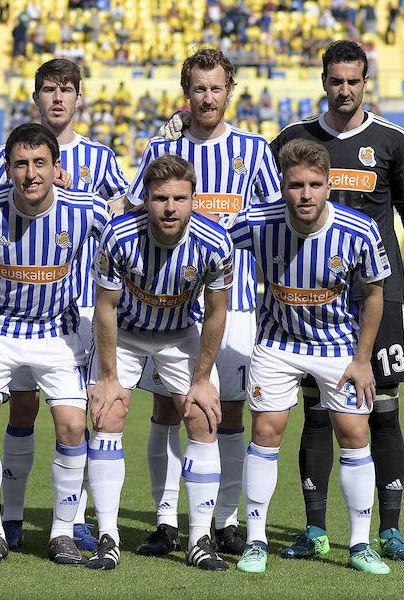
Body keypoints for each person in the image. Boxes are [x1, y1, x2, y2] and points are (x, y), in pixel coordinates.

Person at [270, 40, 404, 563]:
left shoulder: (392, 140)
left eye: (353, 80)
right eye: (335, 80)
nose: (344, 90)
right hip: (314, 296)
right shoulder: (293, 138)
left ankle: (389, 530)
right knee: (320, 413)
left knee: (385, 410)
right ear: (323, 80)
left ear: (365, 81)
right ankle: (314, 529)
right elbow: (254, 199)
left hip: (380, 292)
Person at [129, 48, 281, 559]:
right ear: (185, 92)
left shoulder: (255, 151)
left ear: (229, 91)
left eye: (216, 88)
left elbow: (273, 219)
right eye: (199, 88)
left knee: (228, 413)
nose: (208, 97)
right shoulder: (162, 149)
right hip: (169, 307)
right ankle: (166, 518)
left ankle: (225, 520)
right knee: (169, 410)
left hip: (233, 304)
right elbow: (132, 207)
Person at [0, 57, 128, 552]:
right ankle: (13, 516)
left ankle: (76, 519)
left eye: (67, 89)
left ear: (79, 98)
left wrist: (84, 196)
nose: (58, 98)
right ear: (36, 97)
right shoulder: (11, 158)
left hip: (78, 308)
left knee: (78, 416)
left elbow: (122, 214)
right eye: (49, 89)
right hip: (12, 308)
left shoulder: (101, 158)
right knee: (20, 409)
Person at [229, 138, 391, 575]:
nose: (305, 194)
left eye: (315, 184)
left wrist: (362, 360)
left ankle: (360, 543)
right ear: (282, 184)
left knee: (355, 435)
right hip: (277, 342)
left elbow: (375, 295)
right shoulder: (258, 221)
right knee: (266, 431)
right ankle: (256, 540)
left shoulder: (358, 230)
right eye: (296, 184)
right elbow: (206, 237)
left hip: (339, 345)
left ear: (328, 185)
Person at [0, 122, 109, 566]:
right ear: (8, 169)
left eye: (40, 163)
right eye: (20, 164)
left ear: (56, 167)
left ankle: (61, 534)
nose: (30, 173)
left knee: (73, 427)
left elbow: (126, 234)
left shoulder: (84, 210)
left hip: (55, 332)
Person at [87, 155, 233, 572]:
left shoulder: (215, 242)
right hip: (128, 333)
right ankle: (108, 536)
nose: (170, 207)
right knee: (108, 413)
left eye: (180, 198)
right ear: (146, 199)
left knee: (204, 417)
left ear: (193, 199)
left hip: (179, 334)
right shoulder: (118, 236)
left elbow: (217, 312)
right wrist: (110, 378)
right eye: (161, 198)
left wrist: (203, 379)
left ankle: (199, 538)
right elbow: (106, 307)